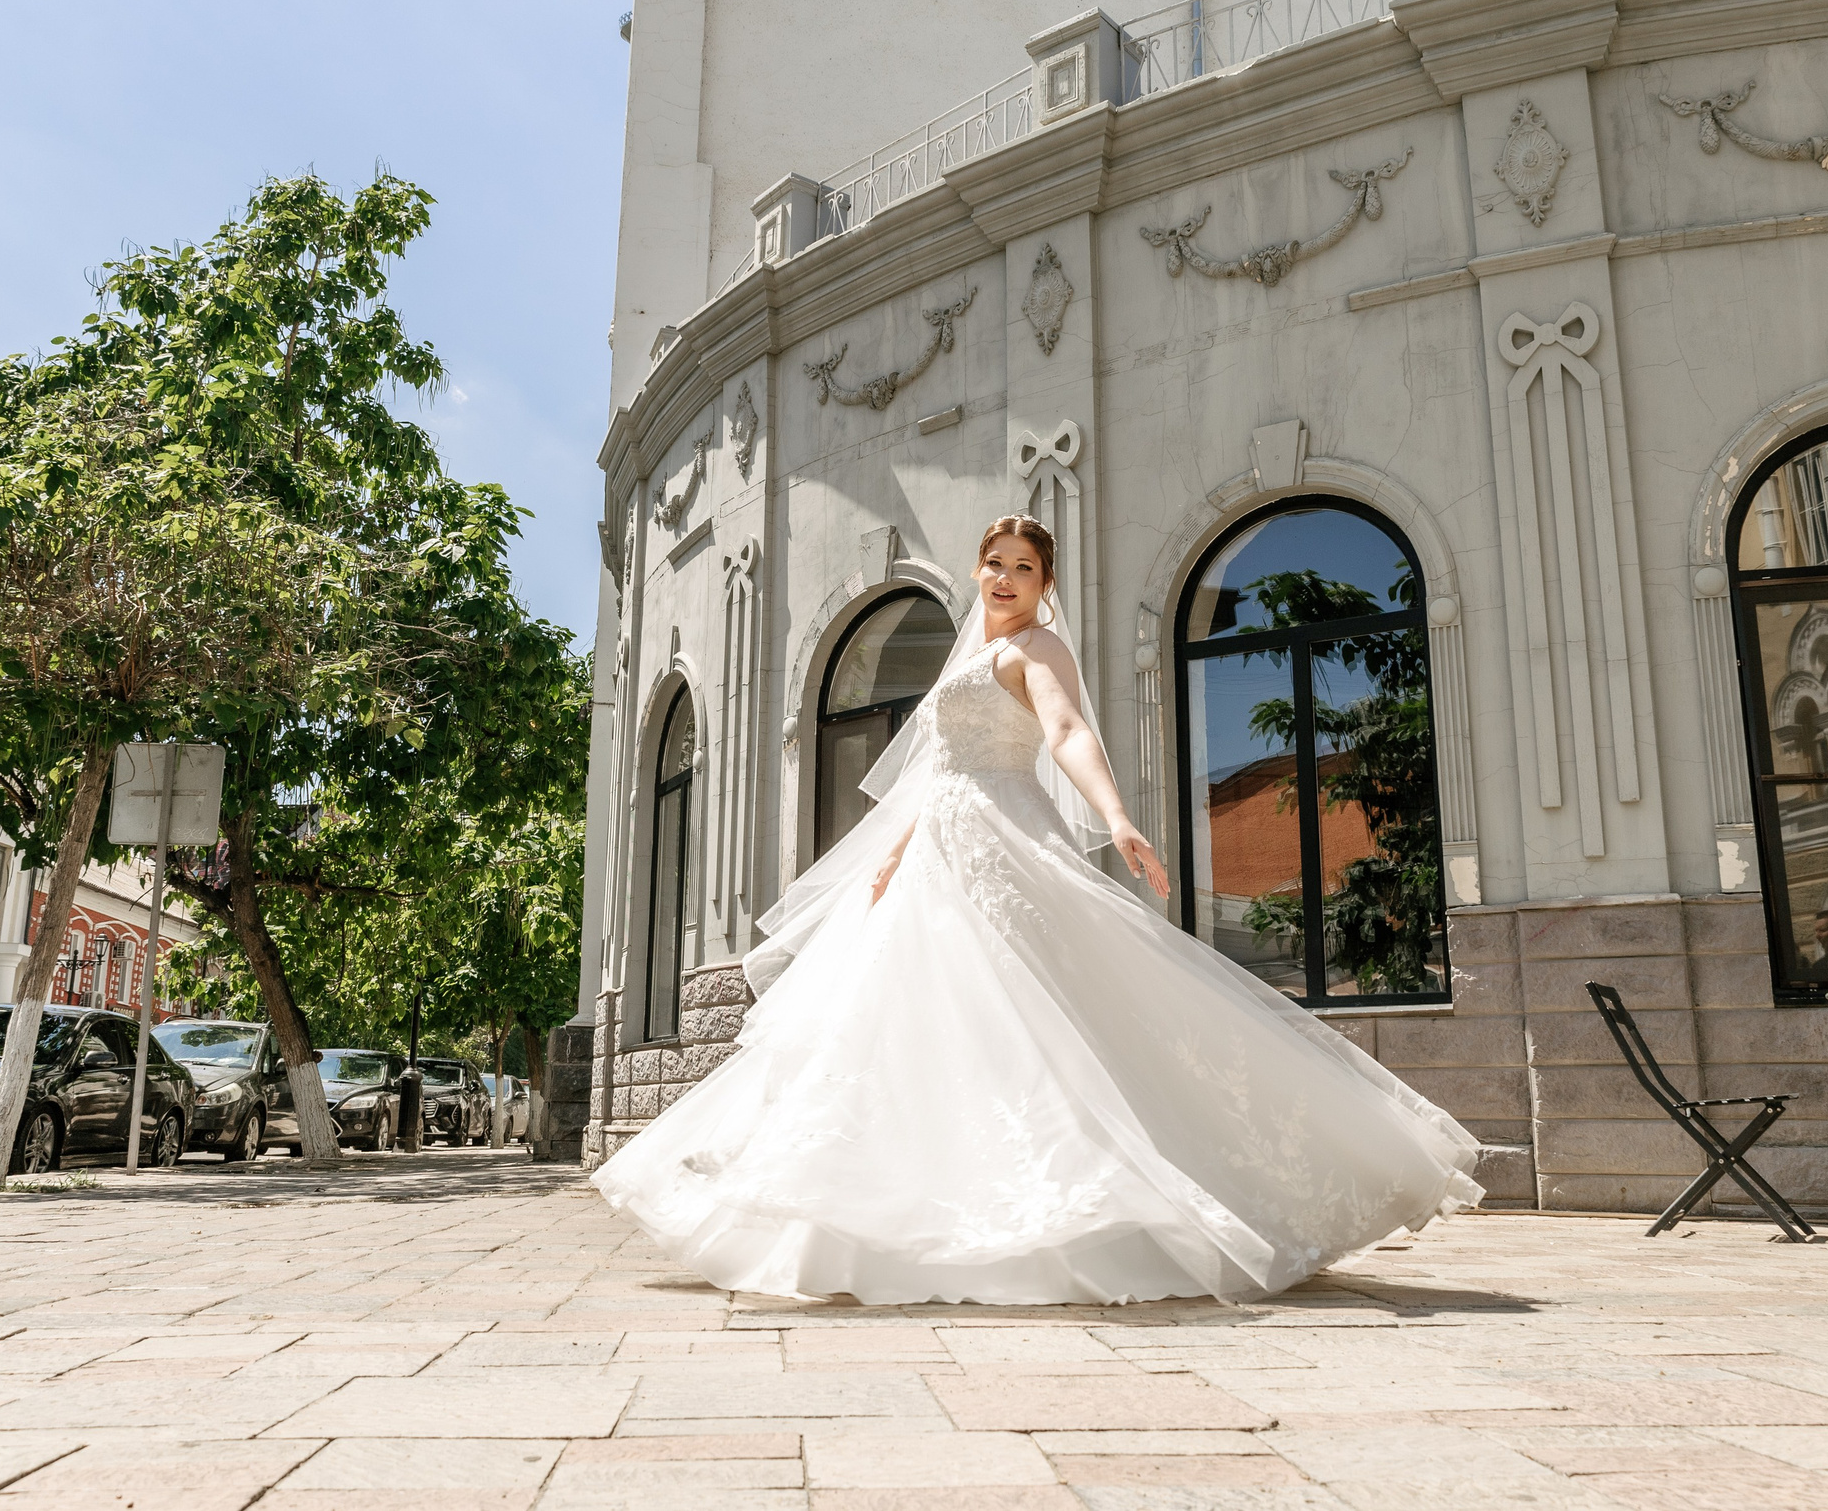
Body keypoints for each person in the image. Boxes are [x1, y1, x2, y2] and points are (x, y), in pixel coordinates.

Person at [593, 514, 1483, 1305]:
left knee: (1035, 1013)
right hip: (936, 852)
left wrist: (1117, 816)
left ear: (1045, 583)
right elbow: (934, 774)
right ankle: (874, 1214)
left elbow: (1066, 732)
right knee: (914, 1025)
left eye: (1024, 567)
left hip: (1002, 839)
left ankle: (1089, 1206)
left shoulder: (1038, 650)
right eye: (995, 563)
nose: (1006, 578)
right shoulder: (968, 659)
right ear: (977, 570)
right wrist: (895, 856)